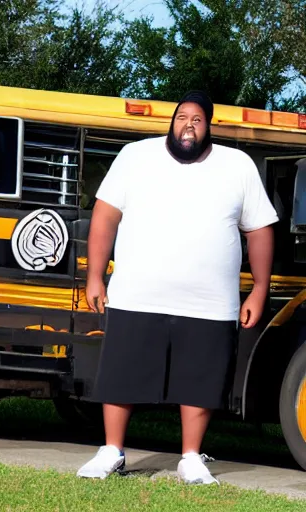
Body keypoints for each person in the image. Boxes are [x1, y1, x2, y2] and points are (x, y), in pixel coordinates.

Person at [76, 91, 278, 484]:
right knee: (121, 373)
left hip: (209, 302)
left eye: (197, 119)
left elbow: (259, 229)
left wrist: (259, 289)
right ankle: (111, 451)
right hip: (137, 294)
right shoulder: (136, 156)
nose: (188, 125)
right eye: (181, 117)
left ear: (209, 126)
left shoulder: (236, 165)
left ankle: (190, 457)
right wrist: (95, 275)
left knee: (200, 380)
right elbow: (104, 217)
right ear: (171, 122)